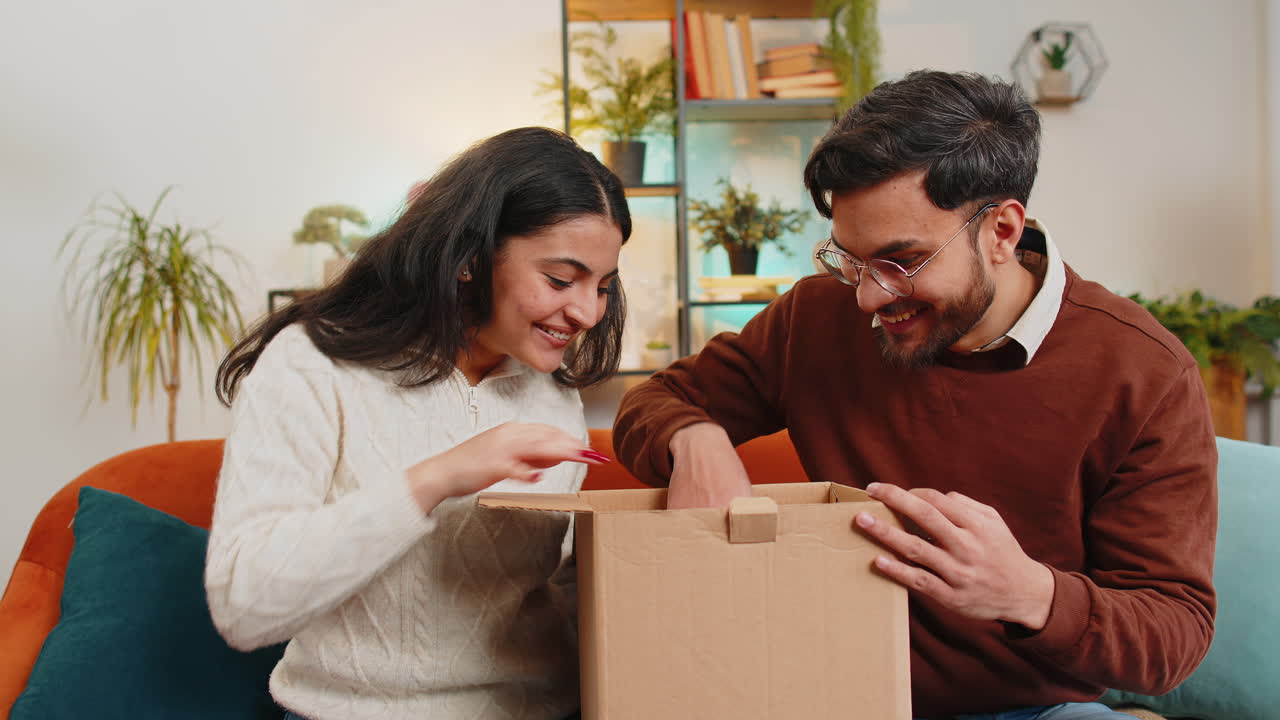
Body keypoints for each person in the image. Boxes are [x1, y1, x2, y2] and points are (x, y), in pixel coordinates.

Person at [611, 71, 1217, 720]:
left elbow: (1172, 633)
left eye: (901, 262)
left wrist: (1028, 594)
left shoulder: (1143, 373)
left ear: (1003, 233)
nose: (869, 297)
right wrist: (694, 437)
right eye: (850, 260)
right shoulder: (816, 318)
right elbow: (655, 402)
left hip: (1028, 709)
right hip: (820, 694)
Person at [206, 126, 629, 720]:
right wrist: (435, 479)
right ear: (468, 259)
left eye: (603, 286)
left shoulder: (551, 394)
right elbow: (245, 607)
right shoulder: (310, 365)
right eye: (560, 280)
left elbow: (544, 592)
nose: (587, 312)